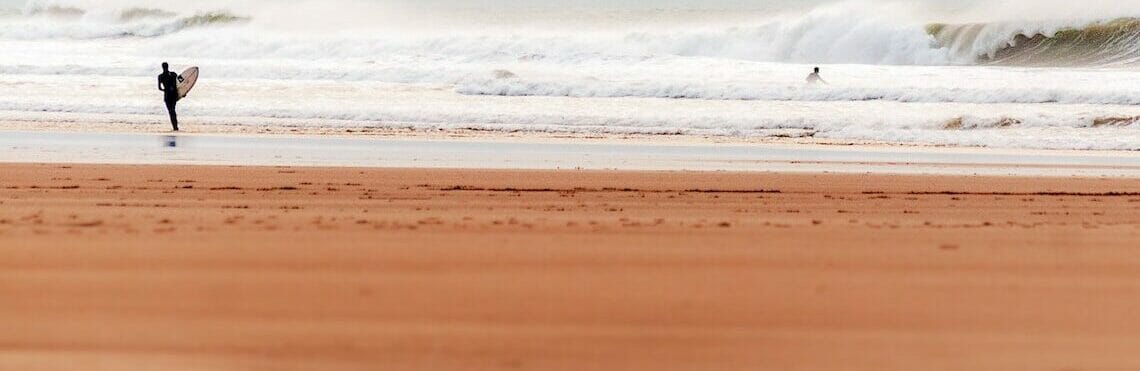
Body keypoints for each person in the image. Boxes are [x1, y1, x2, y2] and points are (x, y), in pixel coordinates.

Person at [157, 62, 183, 131]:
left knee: (171, 111)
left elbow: (159, 88)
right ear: (168, 66)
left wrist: (166, 90)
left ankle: (175, 127)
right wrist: (183, 92)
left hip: (167, 96)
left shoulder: (160, 76)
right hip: (174, 95)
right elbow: (180, 83)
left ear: (162, 67)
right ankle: (175, 127)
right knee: (172, 111)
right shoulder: (173, 74)